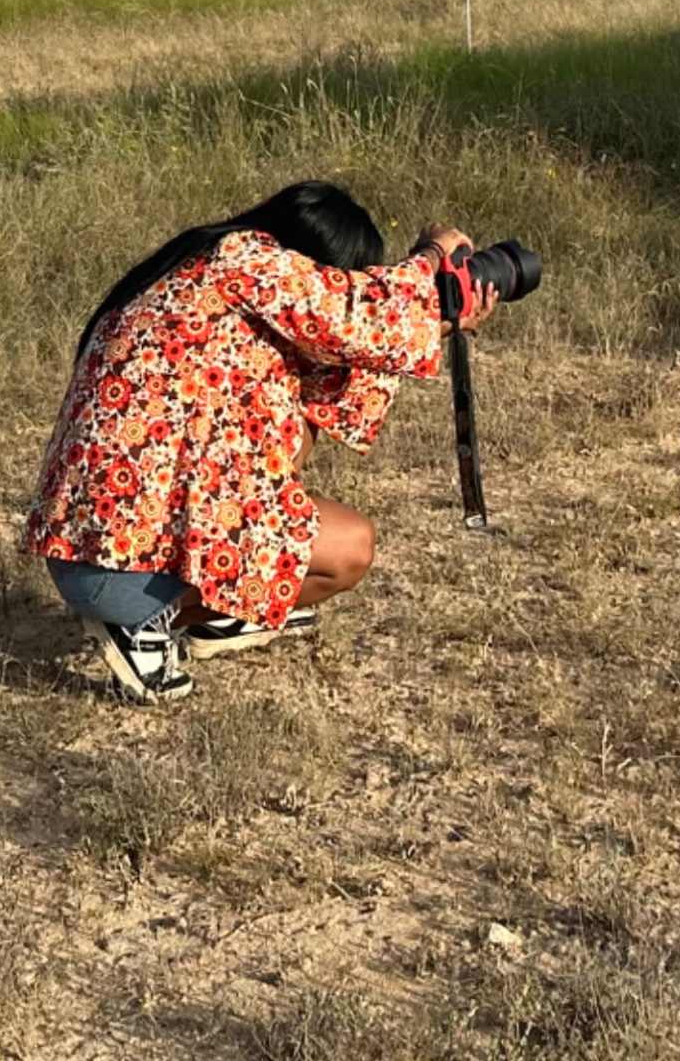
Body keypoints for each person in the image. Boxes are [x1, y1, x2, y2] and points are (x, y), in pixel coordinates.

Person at [26, 181, 504, 704]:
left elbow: (319, 399)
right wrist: (431, 260)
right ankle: (145, 623)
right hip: (116, 572)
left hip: (83, 548)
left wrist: (434, 321)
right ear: (311, 264)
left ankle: (212, 617)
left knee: (297, 449)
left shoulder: (197, 281)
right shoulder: (246, 260)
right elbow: (359, 320)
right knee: (349, 548)